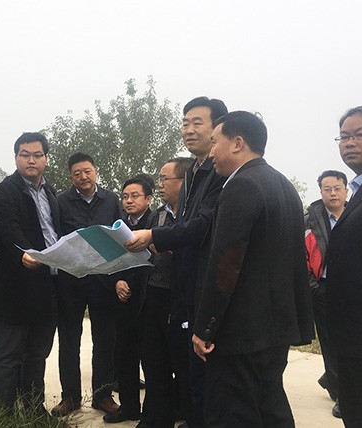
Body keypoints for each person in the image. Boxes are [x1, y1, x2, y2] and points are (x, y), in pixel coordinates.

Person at [191, 111, 314, 427]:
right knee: (269, 408)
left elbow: (225, 264)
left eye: (215, 142)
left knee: (234, 413)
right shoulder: (283, 185)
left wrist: (205, 327)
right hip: (275, 328)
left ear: (237, 143)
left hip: (241, 332)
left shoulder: (241, 185)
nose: (211, 152)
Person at [125, 96, 228, 428]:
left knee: (203, 381)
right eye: (185, 123)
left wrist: (155, 236)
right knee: (184, 374)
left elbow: (202, 227)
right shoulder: (196, 171)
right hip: (181, 292)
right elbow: (187, 230)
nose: (189, 129)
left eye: (197, 122)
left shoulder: (219, 173)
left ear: (218, 128)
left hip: (203, 289)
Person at [0, 132, 60, 413]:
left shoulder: (50, 192)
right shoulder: (7, 189)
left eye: (37, 155)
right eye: (25, 155)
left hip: (47, 282)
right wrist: (24, 253)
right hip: (16, 284)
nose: (31, 160)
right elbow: (7, 227)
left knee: (37, 353)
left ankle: (33, 408)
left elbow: (54, 231)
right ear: (16, 157)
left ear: (46, 158)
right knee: (9, 353)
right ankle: (4, 412)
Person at [52, 152, 122, 416]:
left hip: (103, 279)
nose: (83, 176)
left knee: (105, 340)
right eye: (77, 173)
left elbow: (119, 234)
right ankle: (70, 397)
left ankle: (102, 395)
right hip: (71, 280)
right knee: (69, 339)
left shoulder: (111, 200)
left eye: (87, 171)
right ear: (71, 177)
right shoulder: (61, 202)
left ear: (96, 172)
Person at [326, 106, 362, 428]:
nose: (349, 143)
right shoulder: (359, 191)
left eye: (359, 135)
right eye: (344, 137)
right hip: (355, 335)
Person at [138, 157, 194, 428]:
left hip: (181, 298)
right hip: (154, 295)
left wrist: (176, 248)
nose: (159, 185)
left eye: (164, 179)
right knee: (154, 361)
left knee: (184, 364)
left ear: (184, 182)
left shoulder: (193, 216)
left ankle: (188, 416)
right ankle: (155, 419)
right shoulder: (157, 215)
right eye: (159, 179)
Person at [103, 175, 154, 424]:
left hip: (150, 301)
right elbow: (110, 260)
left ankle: (155, 411)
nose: (129, 201)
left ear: (149, 198)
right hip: (124, 302)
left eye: (135, 196)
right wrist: (117, 281)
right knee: (125, 357)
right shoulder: (117, 227)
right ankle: (129, 408)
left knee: (152, 360)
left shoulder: (156, 224)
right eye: (125, 197)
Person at [305, 170, 348, 418]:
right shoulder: (309, 220)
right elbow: (299, 255)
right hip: (323, 288)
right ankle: (343, 394)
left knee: (353, 339)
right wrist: (312, 285)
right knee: (331, 342)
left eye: (337, 188)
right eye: (327, 189)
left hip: (353, 289)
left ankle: (332, 380)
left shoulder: (359, 214)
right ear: (320, 192)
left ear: (346, 190)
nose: (332, 193)